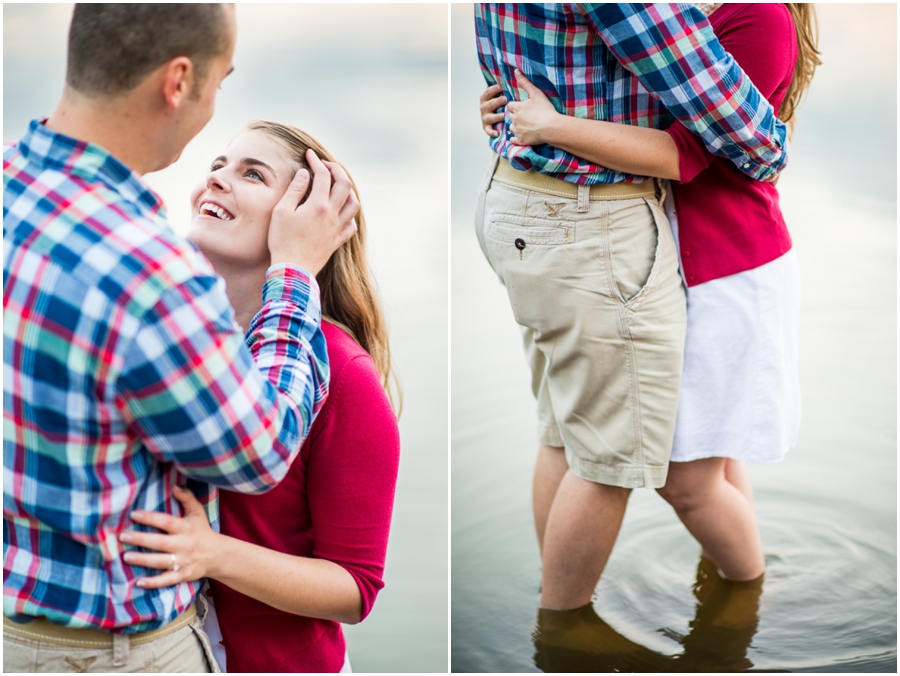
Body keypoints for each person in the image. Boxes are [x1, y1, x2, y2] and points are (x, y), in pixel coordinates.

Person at [3, 5, 357, 673]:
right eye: (219, 83)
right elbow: (262, 451)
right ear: (178, 81)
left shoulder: (12, 187)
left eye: (251, 173)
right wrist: (293, 276)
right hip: (113, 652)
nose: (216, 169)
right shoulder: (150, 271)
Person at [484, 2, 819, 585]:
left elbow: (687, 153)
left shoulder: (760, 15)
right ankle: (729, 583)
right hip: (671, 253)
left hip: (727, 269)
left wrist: (550, 127)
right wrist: (512, 112)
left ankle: (748, 596)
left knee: (687, 478)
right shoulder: (691, 9)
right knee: (698, 458)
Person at [115, 121, 401, 673]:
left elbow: (354, 589)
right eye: (218, 166)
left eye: (252, 173)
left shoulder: (344, 375)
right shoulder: (173, 334)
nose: (216, 179)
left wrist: (213, 554)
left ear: (305, 216)